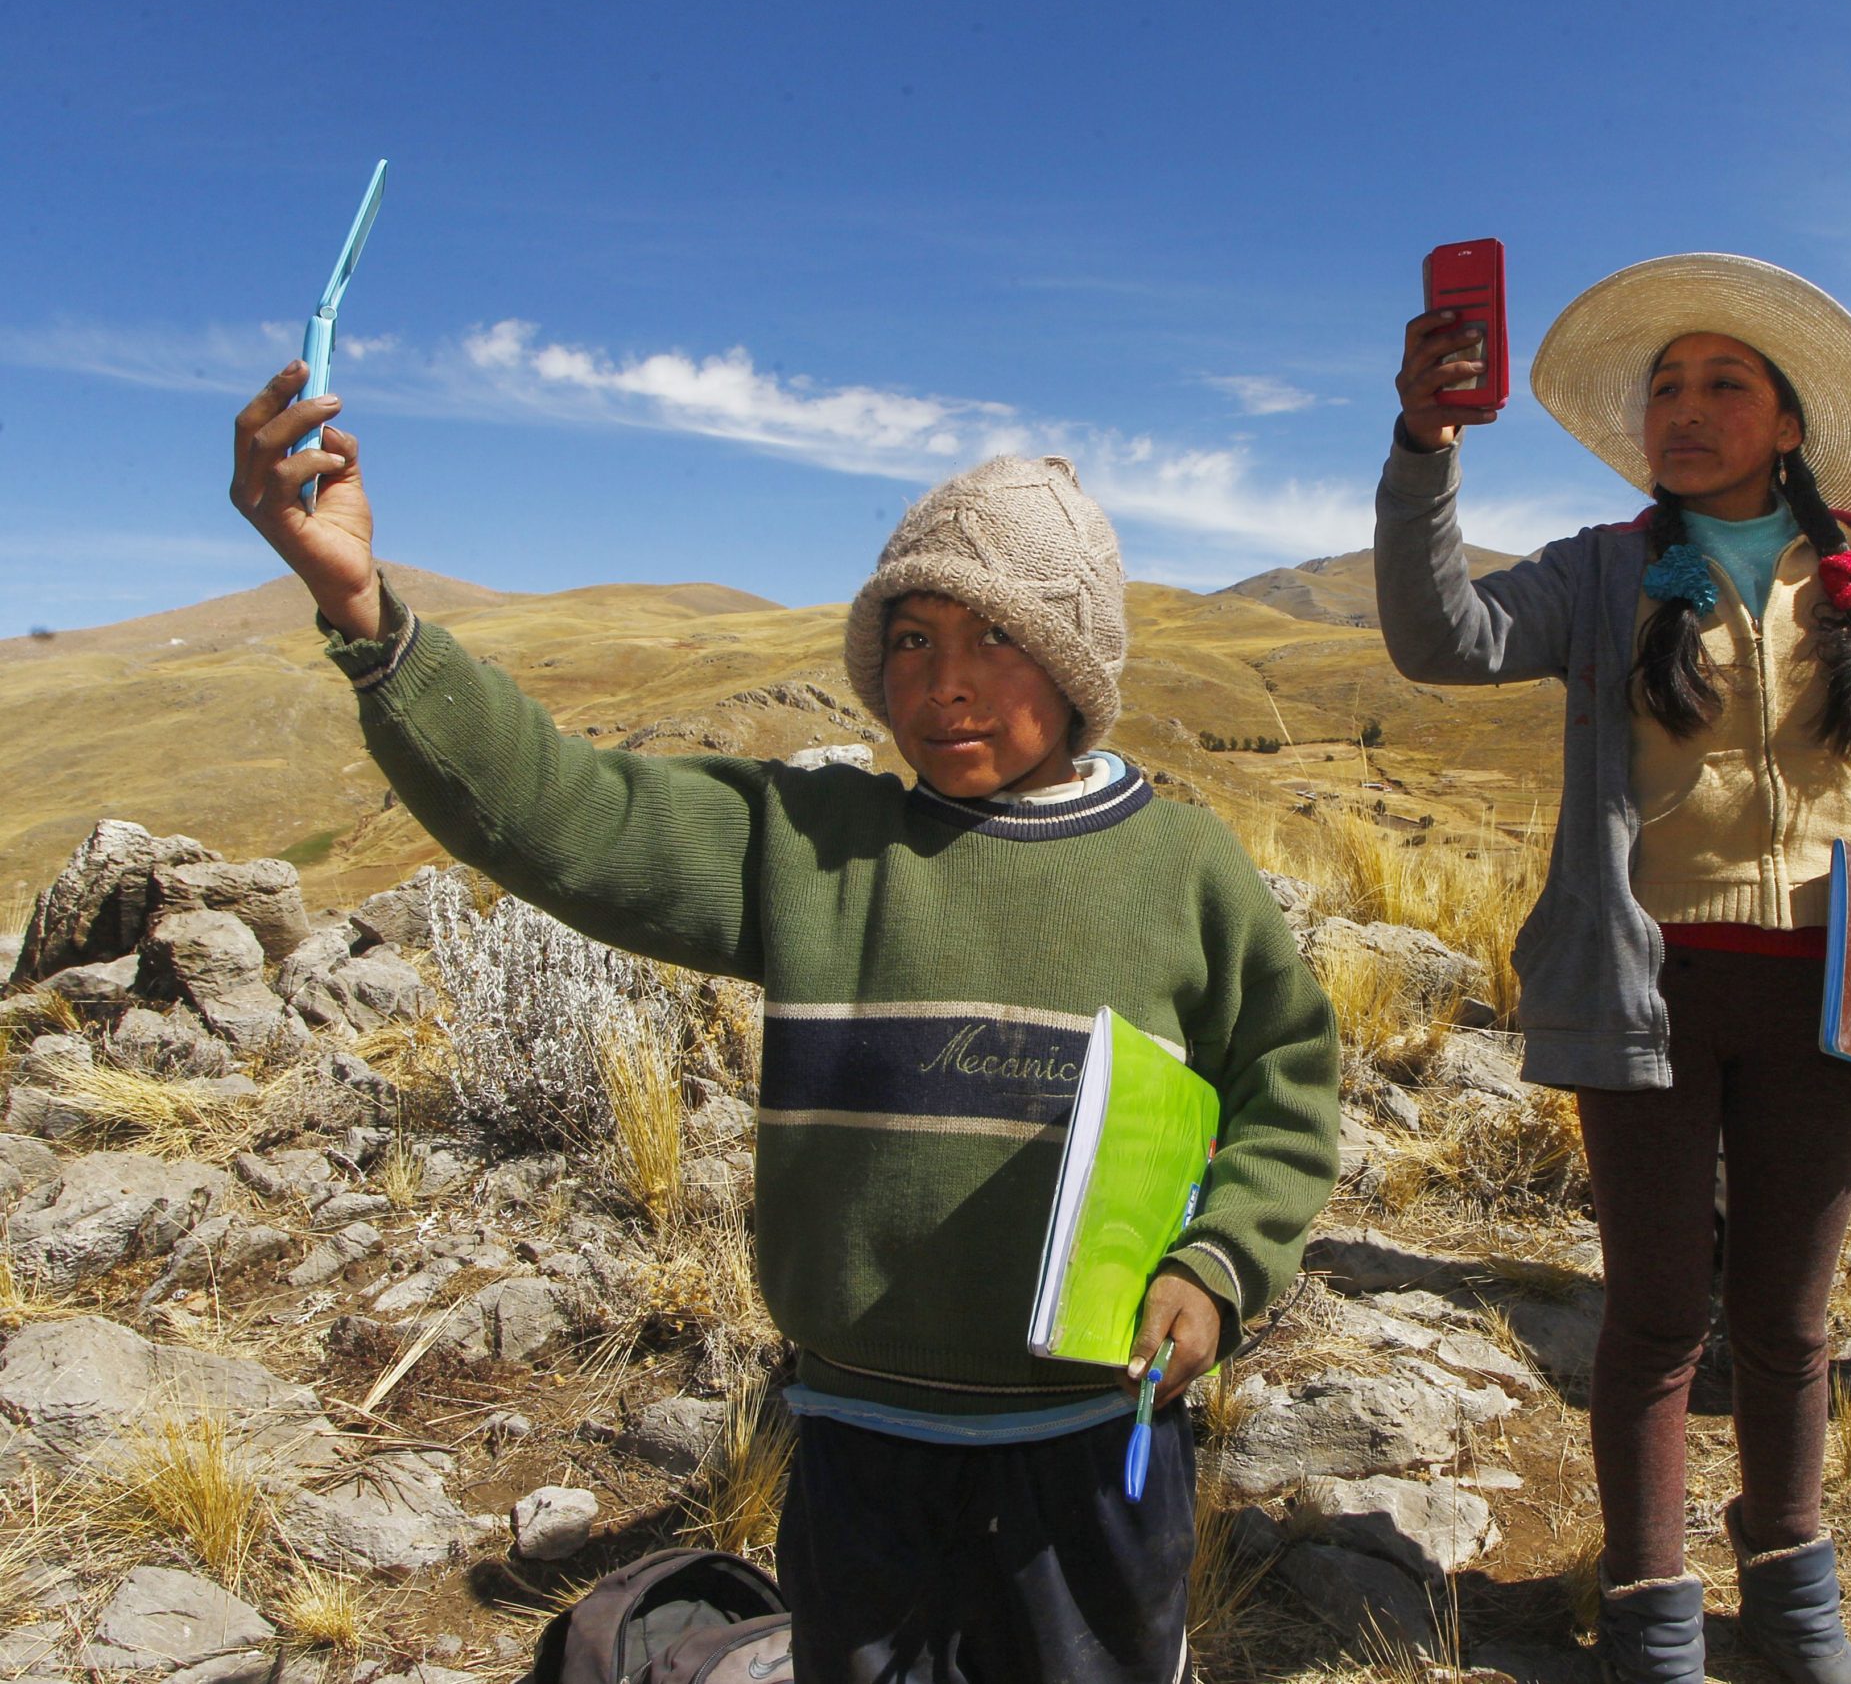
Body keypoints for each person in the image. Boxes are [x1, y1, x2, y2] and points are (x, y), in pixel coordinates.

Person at [229, 367, 1340, 1684]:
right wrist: (365, 612)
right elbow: (561, 813)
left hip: (1098, 1447)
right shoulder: (809, 845)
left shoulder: (1182, 868)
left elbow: (1287, 1085)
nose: (945, 683)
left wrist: (1218, 1264)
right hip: (858, 1444)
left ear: (1076, 655)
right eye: (911, 639)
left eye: (994, 635)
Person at [1376, 255, 1851, 1684]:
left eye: (1723, 382)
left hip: (1841, 980)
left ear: (1789, 423)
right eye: (1666, 384)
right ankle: (1652, 1610)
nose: (1682, 405)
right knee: (1659, 1313)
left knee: (1790, 1322)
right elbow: (1440, 639)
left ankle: (1794, 1603)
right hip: (1652, 982)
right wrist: (1426, 447)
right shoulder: (1605, 570)